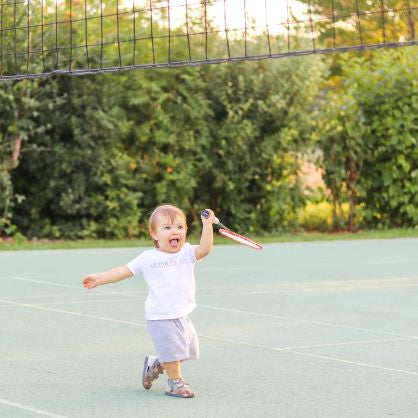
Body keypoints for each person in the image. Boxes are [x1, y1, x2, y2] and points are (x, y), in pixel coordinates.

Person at [82, 204, 215, 398]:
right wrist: (100, 278)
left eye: (179, 227)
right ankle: (175, 382)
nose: (174, 232)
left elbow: (205, 249)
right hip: (160, 316)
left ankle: (156, 364)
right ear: (154, 234)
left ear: (186, 231)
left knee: (185, 351)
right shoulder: (148, 258)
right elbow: (123, 270)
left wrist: (208, 225)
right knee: (172, 351)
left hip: (182, 314)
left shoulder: (186, 253)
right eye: (167, 228)